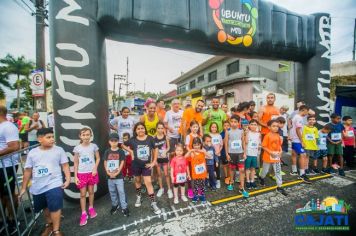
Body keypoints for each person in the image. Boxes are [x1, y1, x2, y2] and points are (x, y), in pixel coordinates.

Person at [19, 128, 70, 236]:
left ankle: (56, 230)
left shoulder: (59, 150)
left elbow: (65, 165)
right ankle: (49, 225)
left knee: (55, 206)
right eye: (48, 137)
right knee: (45, 207)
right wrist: (23, 187)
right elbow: (28, 170)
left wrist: (68, 179)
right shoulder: (32, 153)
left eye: (52, 137)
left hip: (54, 183)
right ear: (39, 139)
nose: (52, 139)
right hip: (38, 186)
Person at [122, 122, 161, 215]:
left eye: (142, 128)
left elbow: (155, 149)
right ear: (135, 130)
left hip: (146, 165)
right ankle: (139, 196)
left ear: (145, 129)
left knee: (148, 182)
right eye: (138, 128)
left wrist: (154, 161)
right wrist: (130, 151)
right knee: (137, 180)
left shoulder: (150, 138)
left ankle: (153, 203)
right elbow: (122, 145)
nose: (140, 130)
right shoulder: (133, 140)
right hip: (135, 165)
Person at [73, 127, 100, 226]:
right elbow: (75, 163)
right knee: (83, 194)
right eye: (83, 135)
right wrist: (75, 177)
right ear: (80, 136)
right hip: (81, 174)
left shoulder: (94, 146)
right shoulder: (77, 148)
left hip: (91, 173)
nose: (86, 137)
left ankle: (91, 207)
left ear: (90, 135)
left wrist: (95, 168)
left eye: (88, 134)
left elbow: (98, 158)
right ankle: (83, 213)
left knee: (91, 192)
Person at [0, 106, 20, 235]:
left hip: (7, 166)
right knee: (1, 194)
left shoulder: (8, 126)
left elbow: (14, 146)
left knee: (9, 194)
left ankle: (13, 219)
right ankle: (3, 219)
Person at [259, 120, 288, 196]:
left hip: (276, 157)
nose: (276, 128)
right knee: (265, 171)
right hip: (268, 157)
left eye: (277, 126)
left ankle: (279, 187)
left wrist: (281, 151)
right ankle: (261, 177)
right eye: (273, 126)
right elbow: (263, 146)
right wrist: (270, 152)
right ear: (269, 127)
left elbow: (279, 145)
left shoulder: (277, 135)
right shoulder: (267, 135)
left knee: (278, 171)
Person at [103, 132, 129, 216]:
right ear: (109, 141)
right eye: (112, 140)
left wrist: (117, 172)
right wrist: (108, 172)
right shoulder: (107, 151)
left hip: (119, 176)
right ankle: (115, 204)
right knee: (112, 191)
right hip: (109, 176)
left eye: (115, 140)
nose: (114, 142)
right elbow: (105, 162)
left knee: (121, 191)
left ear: (118, 141)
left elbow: (122, 162)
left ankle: (124, 207)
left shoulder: (121, 151)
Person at [224, 115, 249, 197]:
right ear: (230, 122)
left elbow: (243, 142)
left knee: (242, 170)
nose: (233, 123)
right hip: (231, 153)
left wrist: (244, 153)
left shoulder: (241, 131)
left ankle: (242, 187)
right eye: (232, 121)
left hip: (240, 153)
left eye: (235, 122)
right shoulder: (228, 131)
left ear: (238, 123)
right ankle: (231, 182)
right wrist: (227, 154)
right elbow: (226, 143)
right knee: (232, 169)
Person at [289, 105, 312, 183]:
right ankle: (302, 174)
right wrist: (301, 140)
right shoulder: (298, 117)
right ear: (304, 110)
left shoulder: (296, 117)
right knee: (303, 155)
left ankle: (294, 171)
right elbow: (298, 129)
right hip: (297, 140)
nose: (307, 114)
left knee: (294, 154)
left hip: (294, 139)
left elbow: (293, 127)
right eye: (307, 112)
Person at [257, 93, 280, 165]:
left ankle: (273, 169)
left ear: (274, 99)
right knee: (264, 150)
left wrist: (277, 127)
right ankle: (262, 168)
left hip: (275, 133)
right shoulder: (262, 108)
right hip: (265, 133)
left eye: (272, 98)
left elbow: (278, 121)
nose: (270, 99)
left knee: (275, 149)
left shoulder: (277, 109)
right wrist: (268, 126)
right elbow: (258, 120)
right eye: (268, 98)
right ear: (266, 99)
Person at [185, 137, 208, 203]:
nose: (196, 146)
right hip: (195, 173)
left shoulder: (203, 152)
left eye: (198, 145)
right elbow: (185, 157)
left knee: (202, 185)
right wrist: (190, 151)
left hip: (202, 173)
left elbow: (210, 156)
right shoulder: (192, 153)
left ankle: (202, 196)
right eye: (195, 145)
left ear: (200, 145)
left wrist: (203, 151)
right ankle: (195, 196)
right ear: (193, 145)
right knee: (195, 185)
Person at [154, 122, 173, 199]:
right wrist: (154, 160)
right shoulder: (154, 138)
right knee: (159, 175)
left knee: (166, 174)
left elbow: (168, 147)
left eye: (162, 128)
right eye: (159, 128)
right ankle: (161, 189)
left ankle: (169, 189)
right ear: (156, 129)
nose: (160, 130)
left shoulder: (166, 137)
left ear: (164, 129)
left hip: (164, 159)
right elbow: (153, 150)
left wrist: (165, 151)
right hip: (157, 159)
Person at [244, 119, 261, 190]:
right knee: (247, 168)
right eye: (252, 124)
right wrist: (247, 133)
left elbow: (259, 144)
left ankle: (252, 180)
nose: (253, 126)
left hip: (255, 154)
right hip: (248, 153)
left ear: (257, 126)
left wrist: (259, 150)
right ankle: (247, 180)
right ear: (249, 125)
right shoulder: (247, 133)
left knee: (253, 168)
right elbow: (246, 142)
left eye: (255, 124)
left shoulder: (258, 134)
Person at [209, 122, 223, 189]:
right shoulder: (209, 135)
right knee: (211, 168)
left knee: (217, 168)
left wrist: (218, 151)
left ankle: (218, 180)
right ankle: (211, 180)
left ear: (217, 128)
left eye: (215, 127)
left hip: (217, 154)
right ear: (210, 128)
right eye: (212, 127)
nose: (214, 128)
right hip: (210, 155)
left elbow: (221, 145)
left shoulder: (219, 135)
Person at [221, 120, 230, 185]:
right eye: (225, 126)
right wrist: (226, 136)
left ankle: (230, 176)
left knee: (230, 165)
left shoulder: (231, 132)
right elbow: (223, 143)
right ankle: (226, 177)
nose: (226, 127)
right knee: (225, 165)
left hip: (231, 151)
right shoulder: (221, 134)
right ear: (222, 127)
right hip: (224, 151)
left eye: (228, 126)